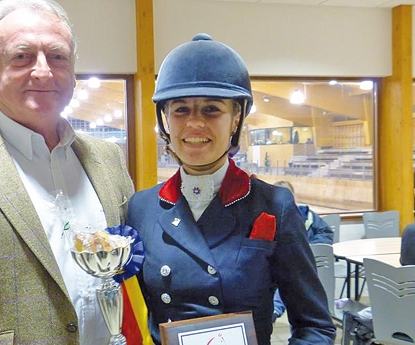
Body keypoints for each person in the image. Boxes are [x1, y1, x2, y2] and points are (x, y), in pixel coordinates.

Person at [0, 1, 138, 344]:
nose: (43, 71)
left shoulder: (107, 159)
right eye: (22, 56)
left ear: (74, 69)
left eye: (58, 56)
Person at [126, 33, 336, 345]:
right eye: (181, 110)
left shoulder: (274, 204)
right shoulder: (141, 208)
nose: (194, 123)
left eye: (211, 109)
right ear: (166, 119)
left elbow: (315, 326)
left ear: (236, 117)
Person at [271, 180, 334, 322]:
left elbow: (326, 232)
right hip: (279, 261)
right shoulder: (268, 216)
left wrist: (311, 248)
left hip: (303, 263)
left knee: (292, 281)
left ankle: (276, 308)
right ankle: (274, 309)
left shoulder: (308, 216)